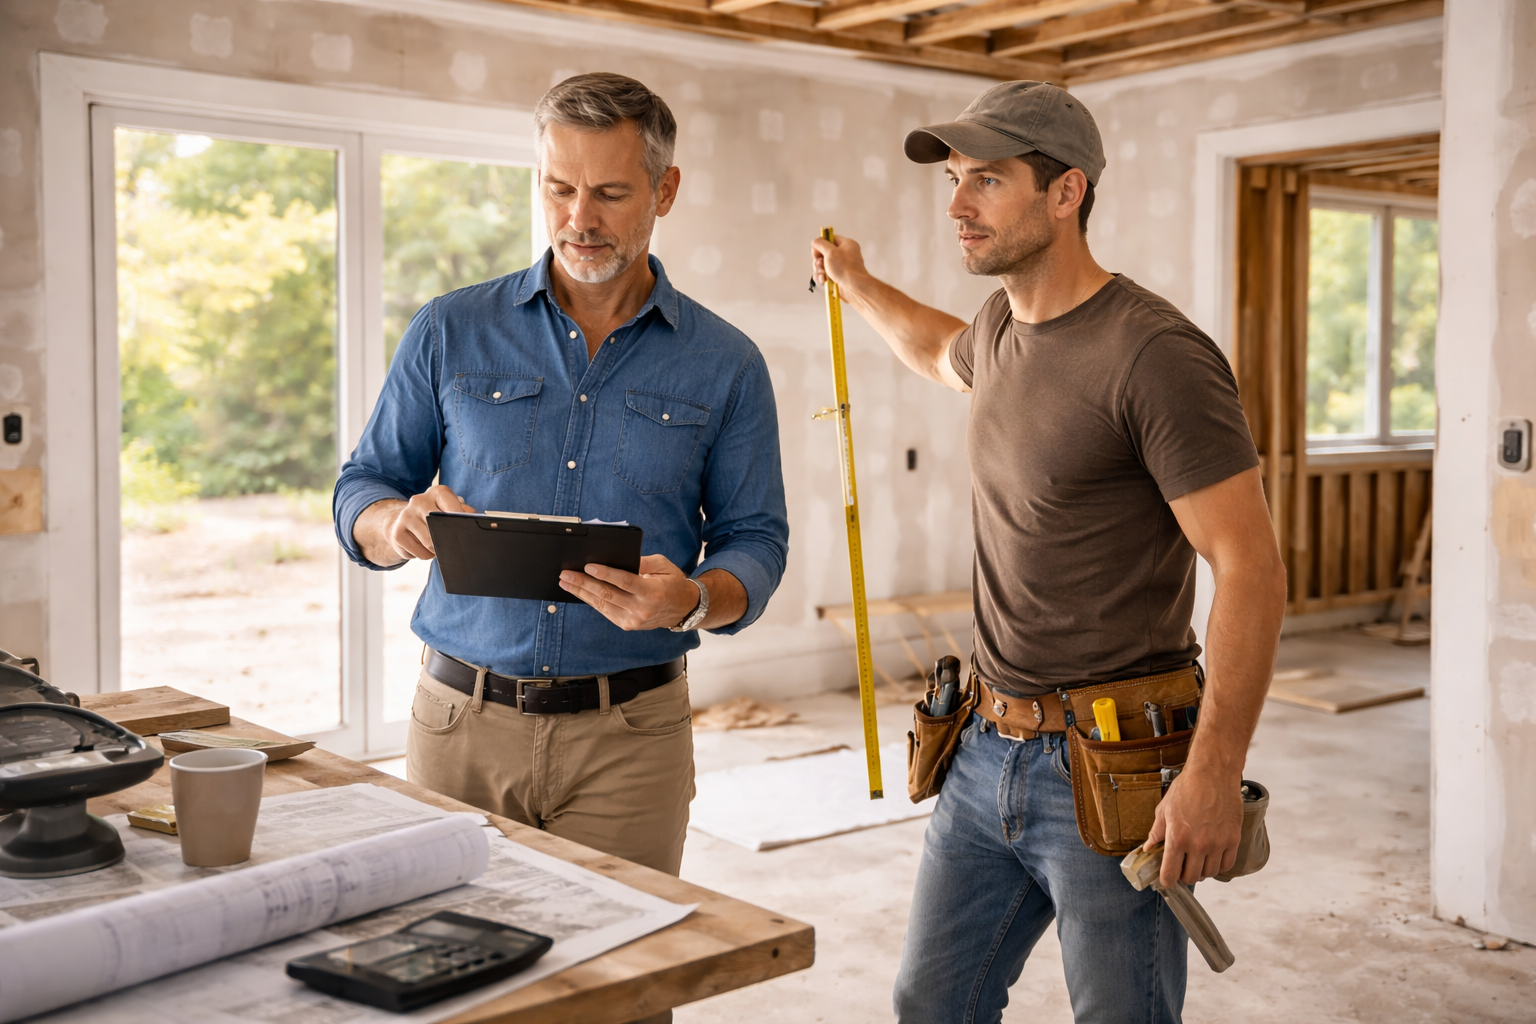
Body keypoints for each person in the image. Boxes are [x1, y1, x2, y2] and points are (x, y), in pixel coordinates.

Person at [811, 81, 1287, 1023]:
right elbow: (934, 347)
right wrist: (855, 283)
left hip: (1113, 770)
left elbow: (1252, 570)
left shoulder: (1154, 355)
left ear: (1066, 193)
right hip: (984, 747)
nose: (957, 204)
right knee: (930, 1003)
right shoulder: (999, 329)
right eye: (954, 179)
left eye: (986, 180)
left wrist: (1213, 773)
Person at [335, 73, 789, 886]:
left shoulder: (727, 364)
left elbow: (756, 540)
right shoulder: (449, 329)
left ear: (666, 190)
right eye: (559, 188)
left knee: (622, 990)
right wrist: (392, 522)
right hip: (458, 730)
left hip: (632, 741)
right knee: (457, 982)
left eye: (611, 193)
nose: (580, 219)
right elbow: (362, 486)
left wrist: (690, 598)